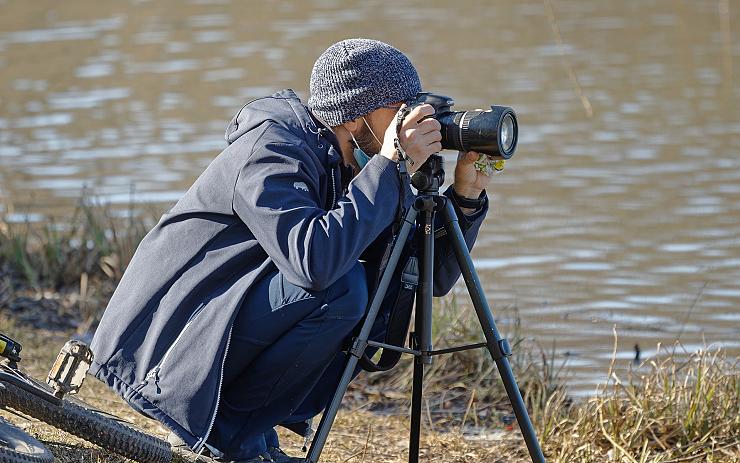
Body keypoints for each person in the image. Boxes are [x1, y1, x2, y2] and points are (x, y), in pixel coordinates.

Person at [90, 38, 493, 463]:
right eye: (400, 109)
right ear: (356, 116)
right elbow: (314, 263)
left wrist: (464, 198)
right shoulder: (272, 148)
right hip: (165, 342)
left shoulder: (355, 166)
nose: (413, 121)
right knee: (342, 288)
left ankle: (242, 432)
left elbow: (423, 278)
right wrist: (389, 165)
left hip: (222, 319)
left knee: (379, 291)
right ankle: (228, 439)